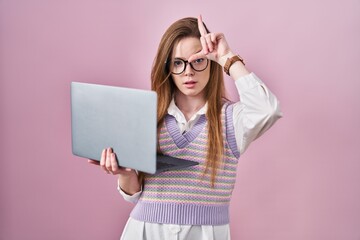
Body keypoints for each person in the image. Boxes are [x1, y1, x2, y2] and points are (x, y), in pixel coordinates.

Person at [89, 15, 282, 240]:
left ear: (211, 63)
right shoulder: (149, 115)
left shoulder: (232, 119)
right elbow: (133, 194)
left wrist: (227, 57)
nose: (188, 71)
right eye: (178, 63)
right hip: (144, 230)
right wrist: (125, 173)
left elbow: (268, 110)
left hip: (206, 233)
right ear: (168, 68)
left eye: (198, 60)